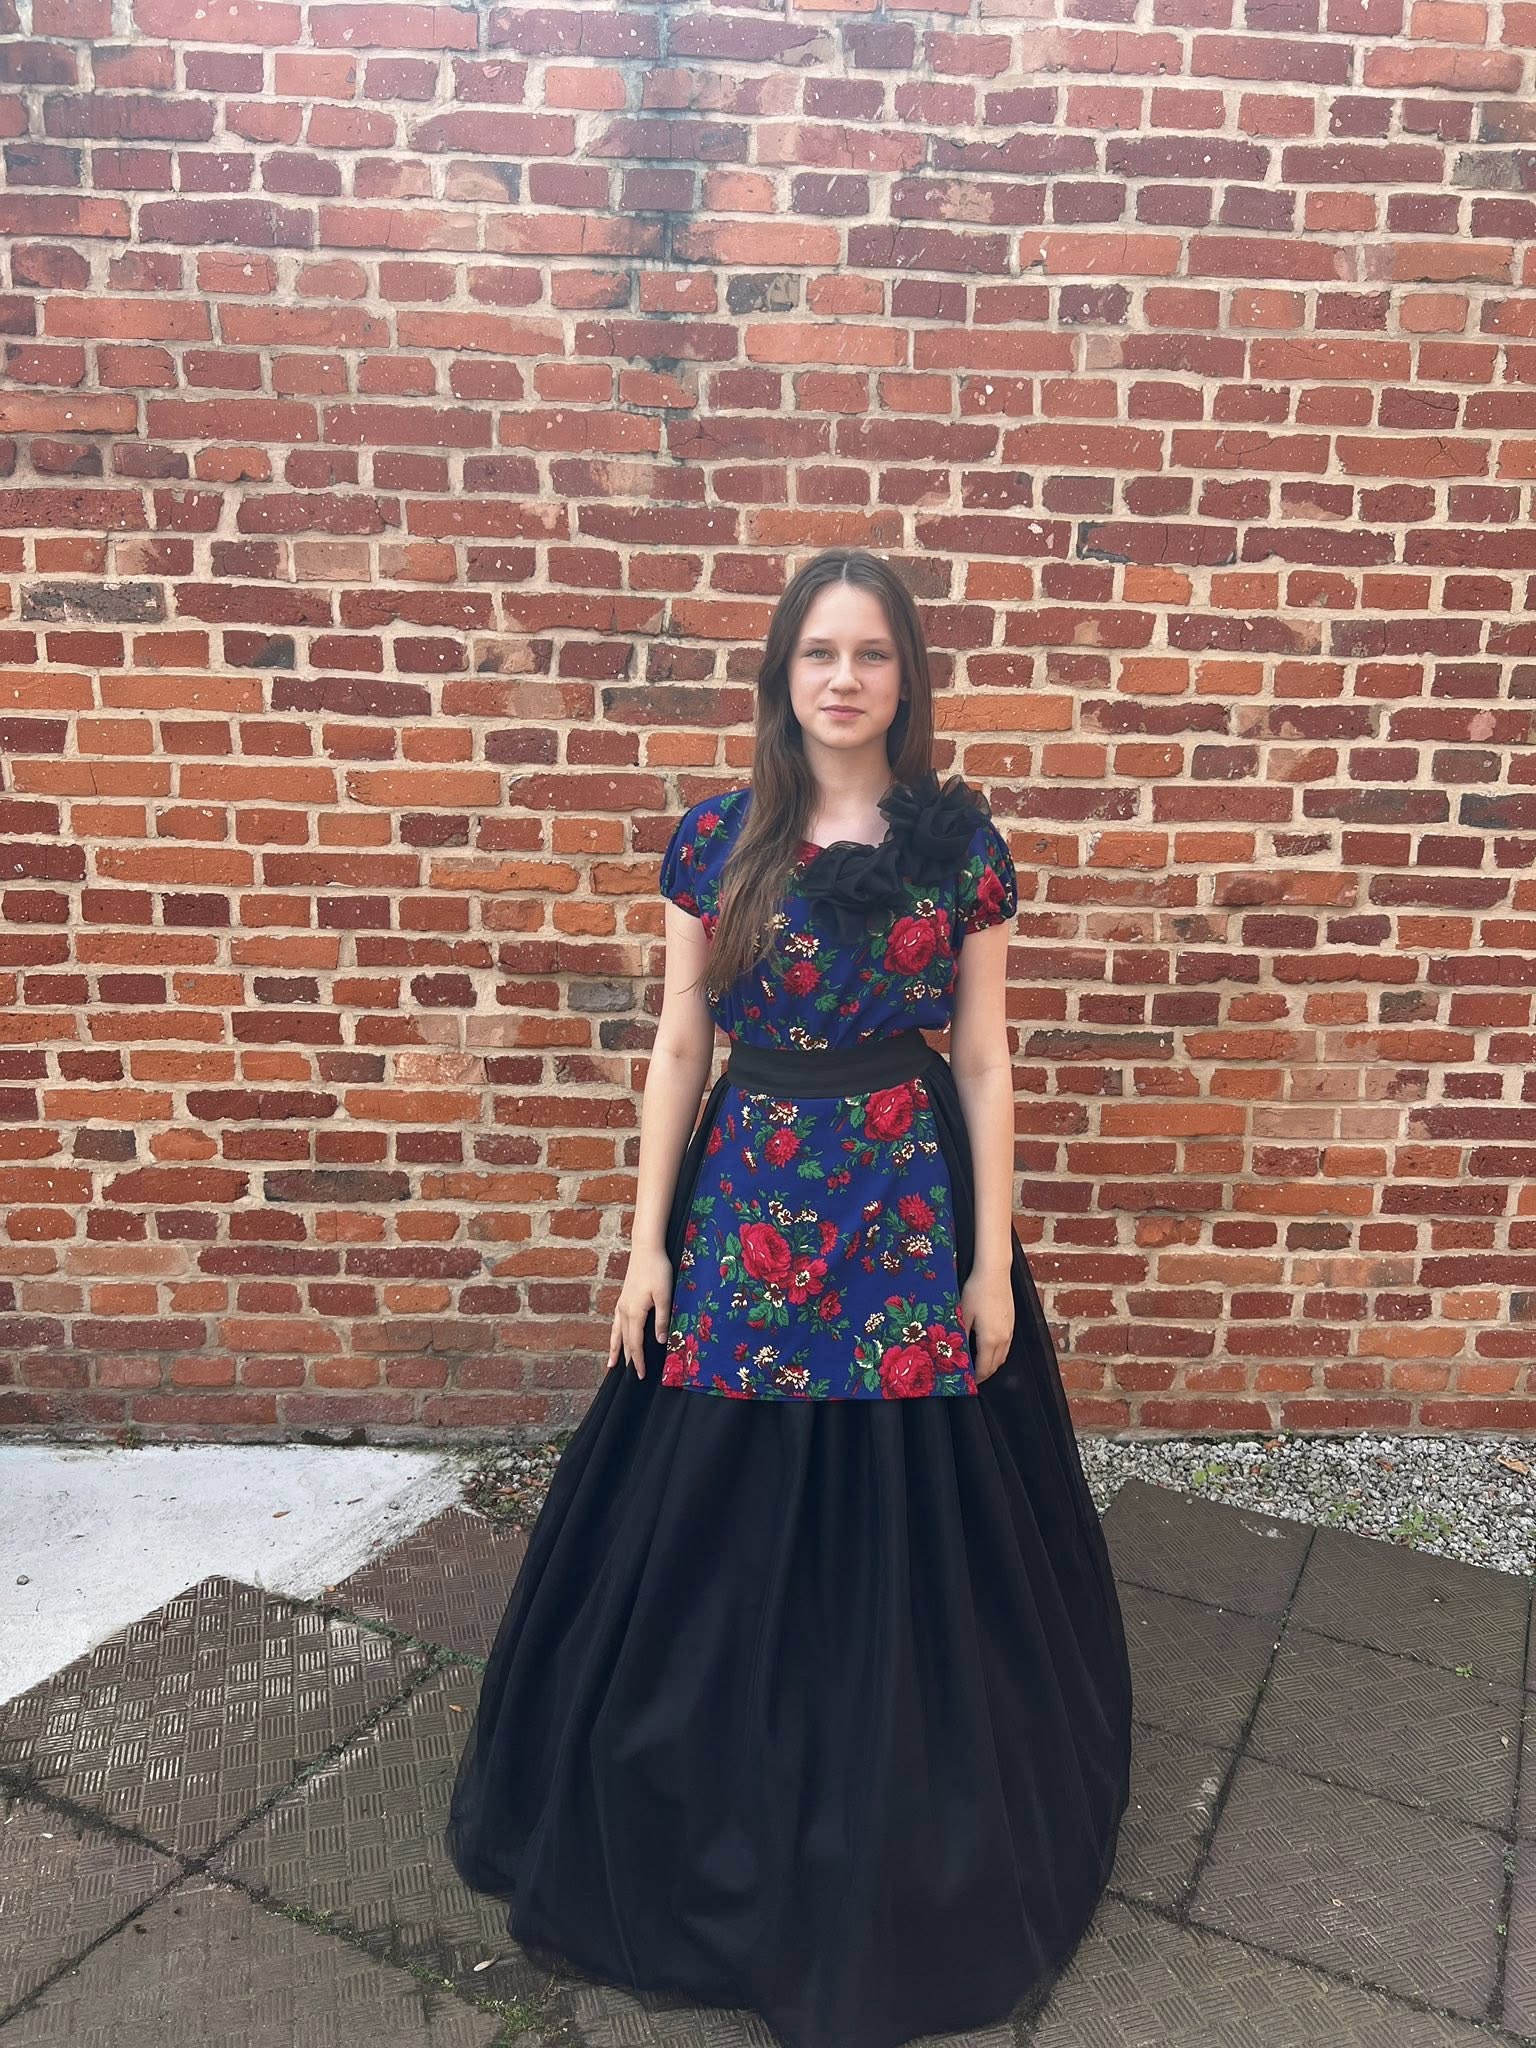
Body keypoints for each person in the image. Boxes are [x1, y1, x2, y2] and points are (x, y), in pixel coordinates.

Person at [443, 548, 1133, 2048]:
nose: (844, 678)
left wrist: (991, 1259)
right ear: (781, 673)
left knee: (913, 1483)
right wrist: (644, 1248)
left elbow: (985, 1057)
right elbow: (679, 1047)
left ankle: (890, 1776)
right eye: (820, 651)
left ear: (906, 677)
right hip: (747, 1187)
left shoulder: (962, 849)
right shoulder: (717, 840)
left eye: (872, 653)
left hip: (903, 1193)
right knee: (707, 1490)